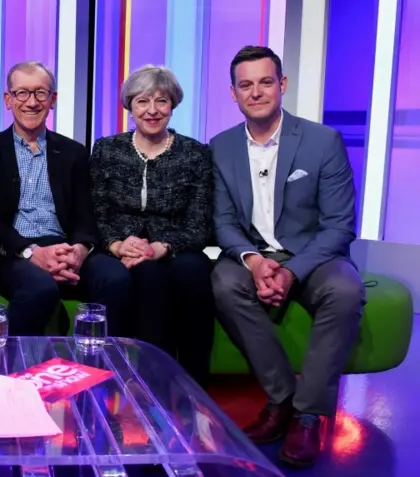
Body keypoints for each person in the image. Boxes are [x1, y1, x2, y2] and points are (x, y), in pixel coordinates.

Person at [210, 46, 365, 467]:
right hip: (255, 254)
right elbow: (223, 223)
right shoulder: (220, 147)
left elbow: (338, 225)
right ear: (233, 93)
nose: (256, 92)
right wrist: (254, 261)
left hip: (313, 254)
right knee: (222, 282)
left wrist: (291, 271)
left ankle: (309, 415)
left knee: (345, 291)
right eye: (246, 85)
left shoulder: (322, 140)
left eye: (265, 82)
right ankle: (281, 401)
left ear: (282, 85)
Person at [0, 61, 132, 336]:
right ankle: (3, 368)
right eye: (22, 93)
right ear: (8, 100)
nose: (32, 102)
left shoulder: (73, 153)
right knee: (39, 289)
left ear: (52, 99)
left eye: (41, 93)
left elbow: (85, 216)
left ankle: (101, 369)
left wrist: (79, 251)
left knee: (115, 278)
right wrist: (32, 252)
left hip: (64, 250)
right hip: (12, 253)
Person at [89, 65, 215, 388]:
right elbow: (96, 210)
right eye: (143, 101)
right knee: (148, 275)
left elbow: (200, 221)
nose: (152, 110)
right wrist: (116, 244)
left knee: (191, 272)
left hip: (176, 245)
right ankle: (149, 383)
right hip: (120, 246)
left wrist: (163, 246)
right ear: (129, 106)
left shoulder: (195, 154)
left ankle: (192, 385)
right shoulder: (107, 150)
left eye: (162, 101)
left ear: (173, 105)